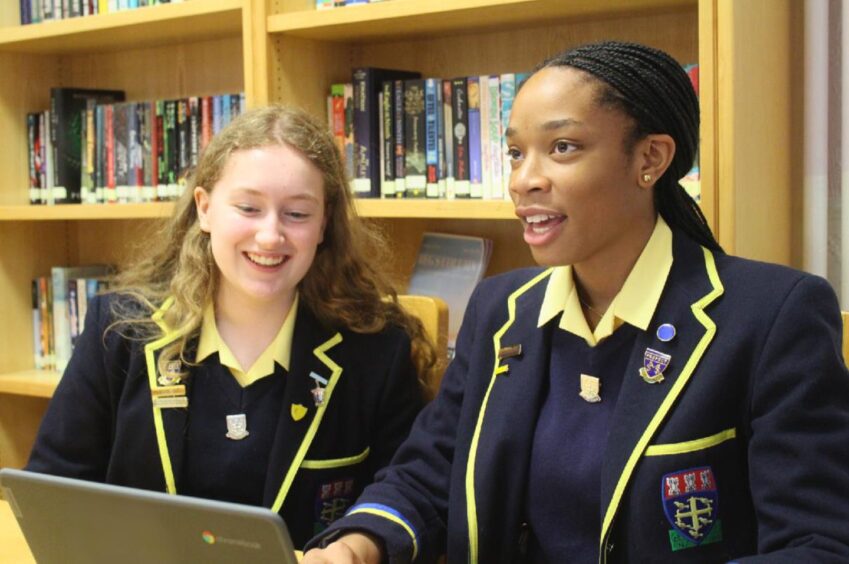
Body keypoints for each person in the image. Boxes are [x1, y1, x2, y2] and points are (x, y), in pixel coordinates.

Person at [303, 41, 849, 563]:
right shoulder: (500, 309)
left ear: (651, 158)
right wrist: (359, 543)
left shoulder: (773, 316)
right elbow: (430, 471)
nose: (524, 180)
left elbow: (815, 545)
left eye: (562, 147)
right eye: (516, 153)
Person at [26, 105, 435, 549]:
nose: (270, 236)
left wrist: (361, 542)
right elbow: (53, 489)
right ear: (205, 209)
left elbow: (410, 489)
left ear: (323, 224)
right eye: (248, 207)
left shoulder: (373, 350)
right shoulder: (119, 332)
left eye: (297, 214)